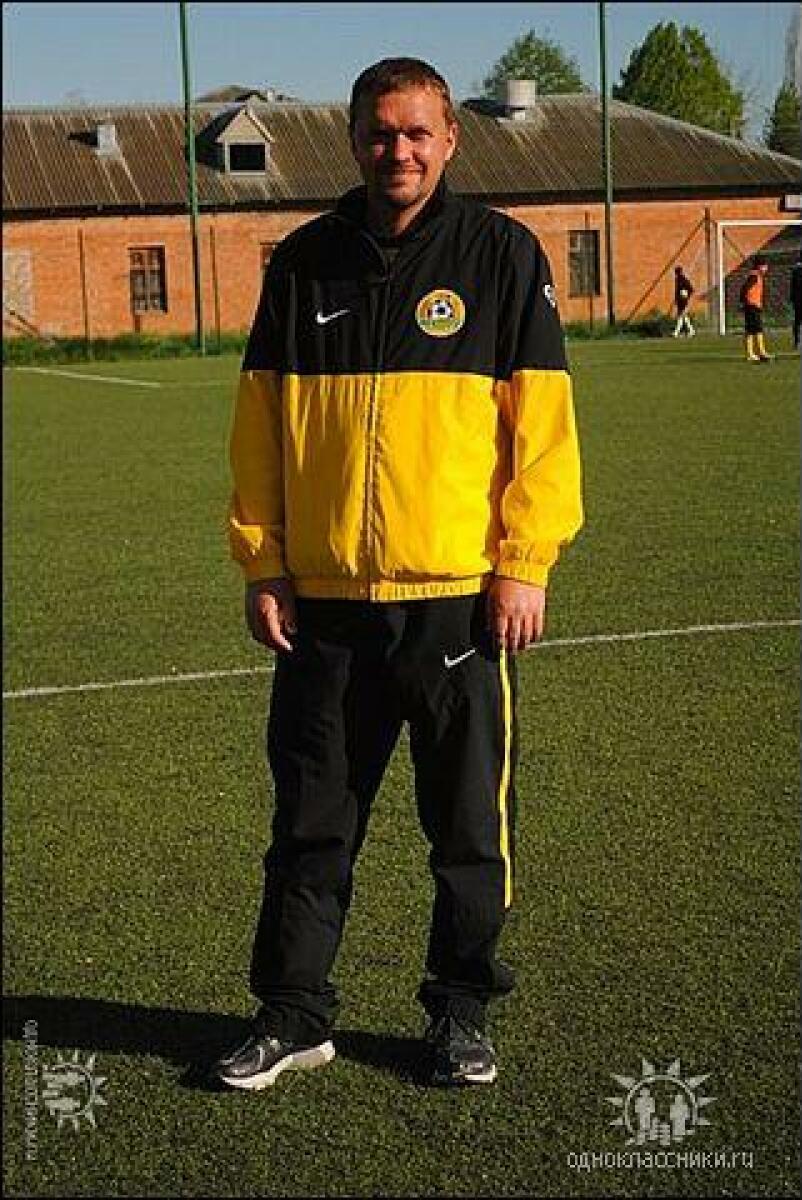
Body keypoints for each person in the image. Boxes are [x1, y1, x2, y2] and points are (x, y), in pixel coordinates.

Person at [215, 57, 583, 1092]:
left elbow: (542, 428)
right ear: (352, 139)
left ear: (450, 139)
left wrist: (523, 562)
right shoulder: (302, 263)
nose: (399, 151)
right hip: (325, 608)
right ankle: (293, 1014)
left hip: (457, 602)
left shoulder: (500, 254)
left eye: (418, 132)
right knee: (310, 827)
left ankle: (460, 1011)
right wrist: (264, 562)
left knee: (466, 830)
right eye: (381, 132)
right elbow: (259, 430)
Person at [739, 256, 772, 362]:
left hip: (752, 305)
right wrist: (744, 301)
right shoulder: (754, 276)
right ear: (759, 266)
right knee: (757, 329)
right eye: (765, 266)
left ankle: (752, 353)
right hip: (752, 306)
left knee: (752, 330)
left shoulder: (755, 276)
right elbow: (744, 289)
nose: (766, 268)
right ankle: (760, 353)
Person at [672, 266, 695, 337]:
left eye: (677, 272)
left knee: (681, 316)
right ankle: (691, 331)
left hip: (683, 300)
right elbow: (677, 291)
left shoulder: (684, 280)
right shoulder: (677, 280)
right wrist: (676, 299)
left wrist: (686, 295)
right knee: (683, 316)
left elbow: (691, 289)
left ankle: (676, 332)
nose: (676, 274)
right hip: (680, 300)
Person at [791, 254, 802, 349]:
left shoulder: (796, 270)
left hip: (797, 299)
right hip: (798, 298)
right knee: (797, 320)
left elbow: (793, 286)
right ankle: (797, 341)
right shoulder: (797, 270)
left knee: (797, 320)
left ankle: (797, 341)